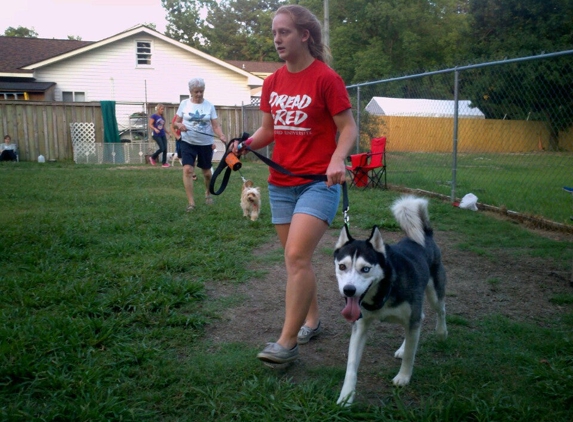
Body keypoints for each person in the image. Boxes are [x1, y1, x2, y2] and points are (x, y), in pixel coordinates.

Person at [233, 4, 357, 364]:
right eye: (274, 33)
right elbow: (269, 130)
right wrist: (243, 144)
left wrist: (338, 158)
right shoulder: (271, 82)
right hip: (281, 185)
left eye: (284, 32)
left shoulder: (326, 79)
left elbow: (348, 128)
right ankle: (313, 321)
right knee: (296, 262)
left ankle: (286, 344)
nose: (276, 39)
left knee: (296, 256)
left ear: (305, 35)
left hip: (319, 183)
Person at [174, 78, 227, 212]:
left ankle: (208, 194)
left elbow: (215, 125)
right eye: (196, 91)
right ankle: (191, 203)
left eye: (201, 91)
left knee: (207, 173)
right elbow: (175, 123)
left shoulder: (209, 105)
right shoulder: (184, 104)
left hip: (205, 143)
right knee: (187, 170)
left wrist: (221, 135)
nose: (199, 94)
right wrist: (179, 125)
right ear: (190, 91)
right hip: (188, 142)